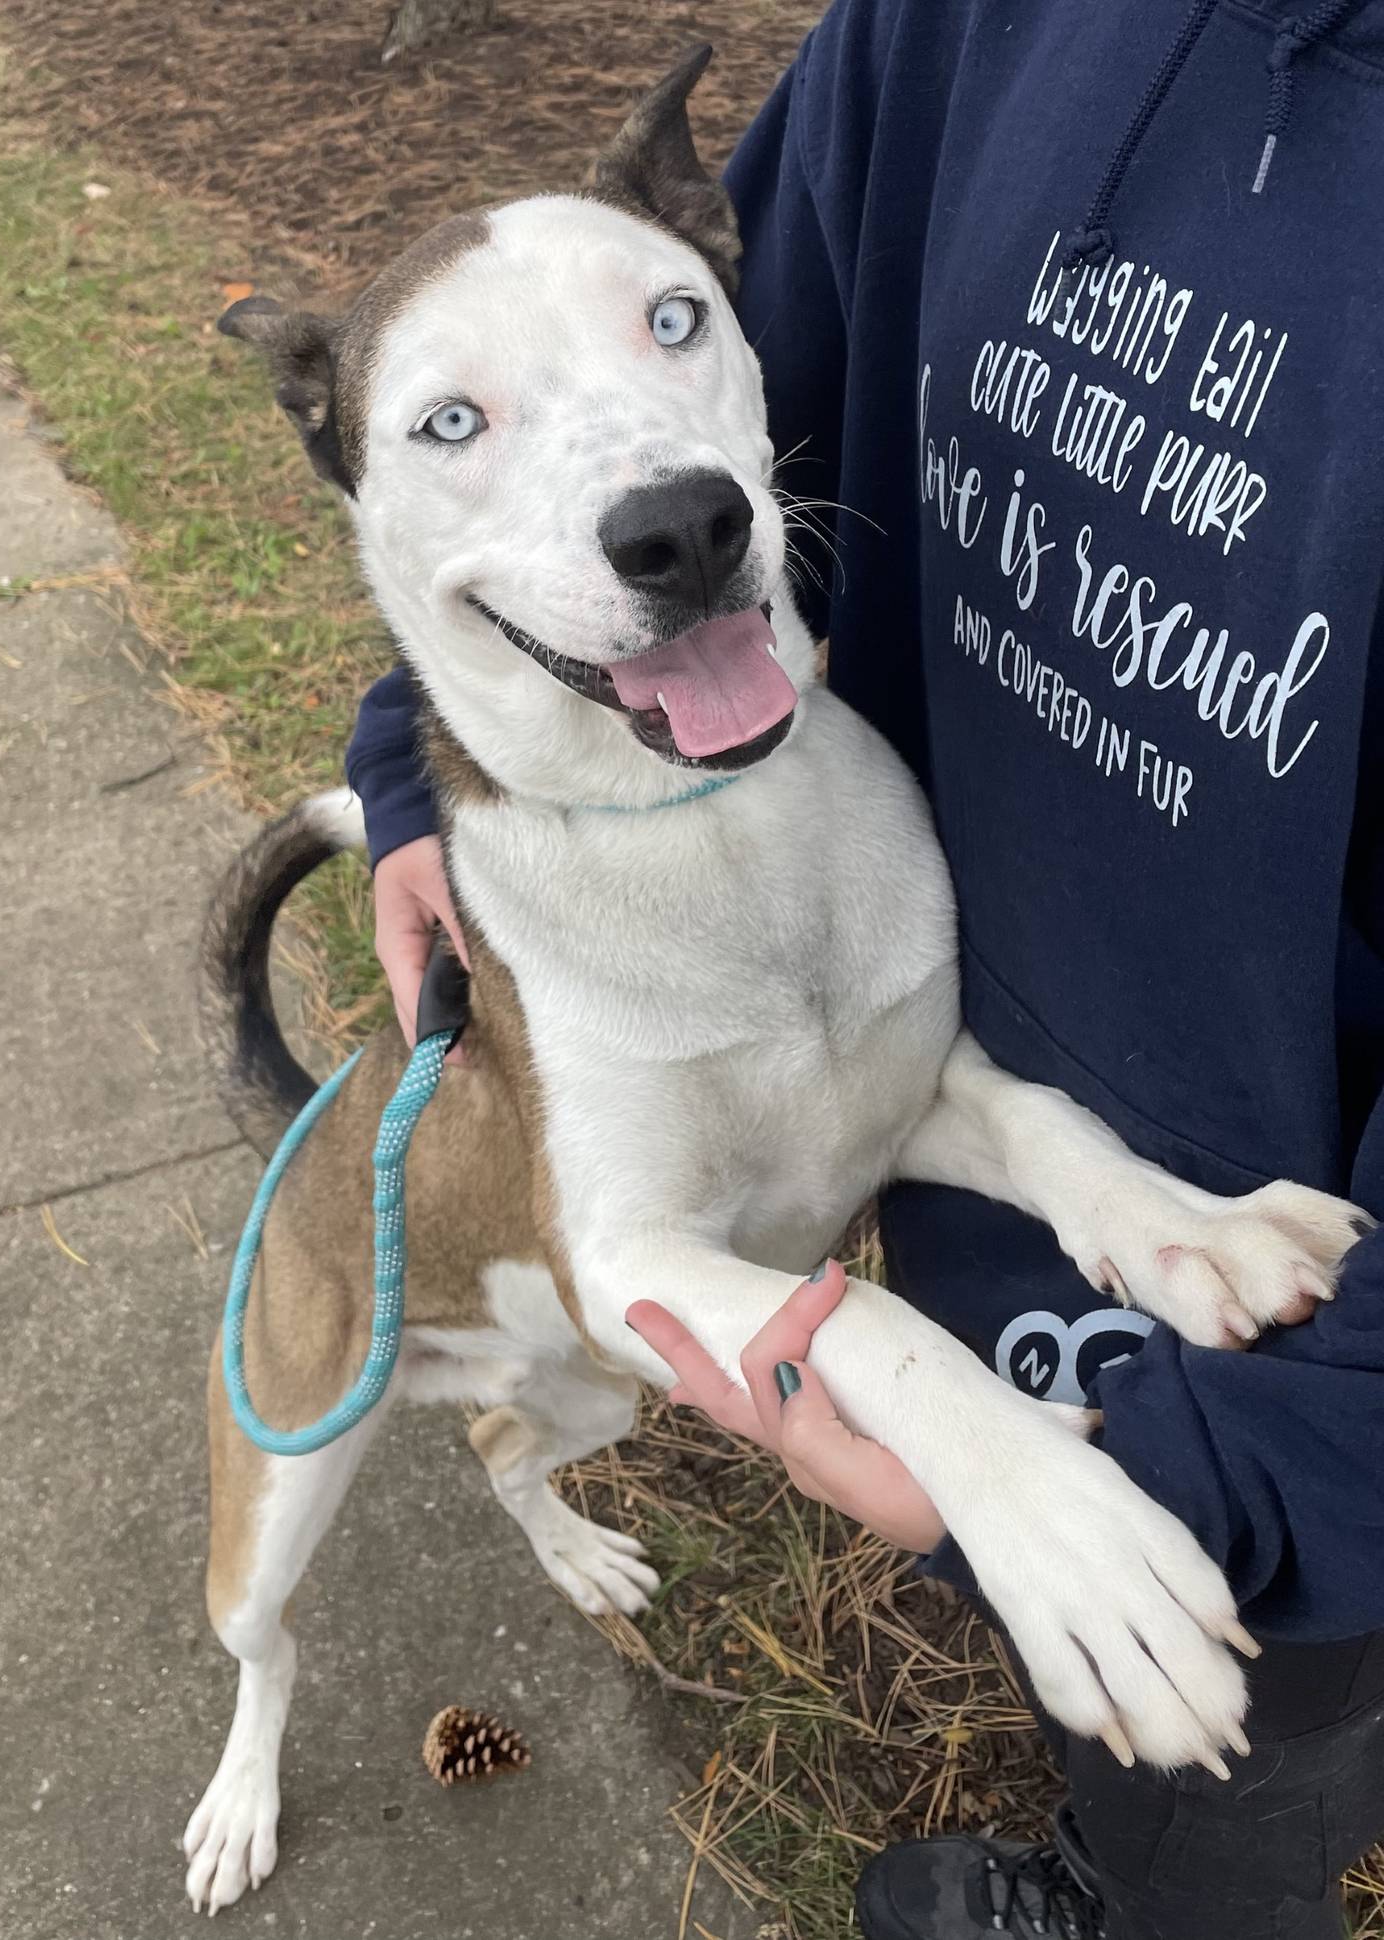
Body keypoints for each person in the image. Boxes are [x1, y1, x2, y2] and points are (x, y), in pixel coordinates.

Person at [345, 1, 1384, 1932]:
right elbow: (609, 460)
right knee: (1167, 1765)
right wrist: (405, 763)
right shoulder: (961, 27)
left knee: (1258, 1749)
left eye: (670, 321)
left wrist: (1295, 1449)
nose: (672, 504)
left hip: (1325, 1365)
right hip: (1072, 1236)